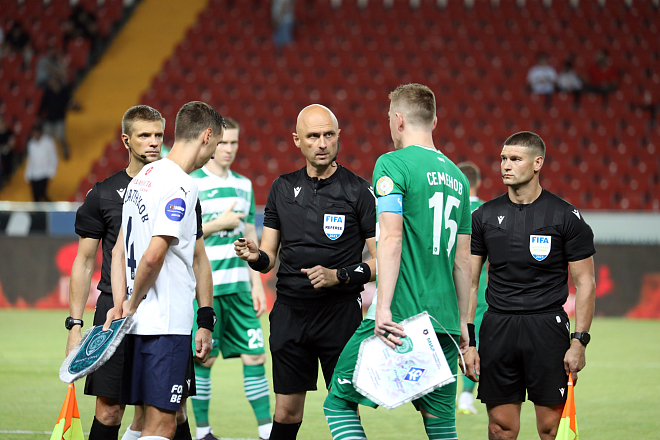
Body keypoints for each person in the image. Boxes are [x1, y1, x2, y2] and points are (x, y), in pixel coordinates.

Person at [321, 83, 472, 440]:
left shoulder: (392, 164)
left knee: (338, 403)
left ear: (399, 120)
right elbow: (463, 260)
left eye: (390, 117)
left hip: (402, 316)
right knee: (440, 424)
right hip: (446, 322)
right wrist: (464, 322)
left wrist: (383, 307)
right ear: (434, 121)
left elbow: (390, 237)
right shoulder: (459, 178)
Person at [235, 104, 377, 440]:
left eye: (329, 134)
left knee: (344, 407)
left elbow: (382, 262)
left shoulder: (359, 190)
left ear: (339, 136)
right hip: (290, 313)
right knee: (286, 411)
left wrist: (338, 275)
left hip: (340, 314)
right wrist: (255, 256)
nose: (322, 143)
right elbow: (268, 258)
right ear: (297, 140)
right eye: (313, 136)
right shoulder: (282, 188)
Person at [67, 105, 198, 440]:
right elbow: (84, 261)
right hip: (115, 311)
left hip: (162, 311)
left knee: (172, 410)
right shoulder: (103, 193)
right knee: (109, 411)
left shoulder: (178, 186)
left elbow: (197, 255)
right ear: (126, 140)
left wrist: (206, 314)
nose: (154, 142)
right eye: (144, 135)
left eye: (158, 135)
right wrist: (75, 324)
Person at [464, 131, 596, 440]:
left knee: (551, 429)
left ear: (537, 163)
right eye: (503, 159)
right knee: (500, 429)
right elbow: (469, 283)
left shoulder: (565, 216)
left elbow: (586, 283)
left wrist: (579, 342)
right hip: (498, 327)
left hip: (546, 328)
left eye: (515, 159)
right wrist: (468, 343)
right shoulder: (483, 216)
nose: (505, 165)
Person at [107, 101, 224, 440]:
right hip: (165, 324)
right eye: (216, 144)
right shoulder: (182, 185)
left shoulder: (142, 177)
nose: (214, 154)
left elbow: (118, 250)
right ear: (206, 136)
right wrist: (131, 303)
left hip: (138, 324)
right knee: (162, 424)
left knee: (142, 420)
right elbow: (152, 257)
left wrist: (121, 303)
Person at [189, 118, 272, 440]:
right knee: (204, 359)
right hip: (206, 290)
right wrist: (218, 224)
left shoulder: (244, 185)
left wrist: (257, 284)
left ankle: (266, 431)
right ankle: (203, 432)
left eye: (234, 143)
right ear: (210, 141)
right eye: (223, 142)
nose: (228, 149)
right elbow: (183, 233)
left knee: (256, 355)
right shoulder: (192, 182)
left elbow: (250, 233)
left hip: (239, 288)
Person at [456, 161, 487, 415]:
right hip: (480, 290)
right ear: (478, 182)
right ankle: (466, 396)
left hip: (447, 286)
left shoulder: (449, 209)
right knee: (474, 342)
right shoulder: (488, 212)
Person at [24, 123, 58, 201]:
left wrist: (52, 172)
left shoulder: (48, 142)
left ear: (40, 132)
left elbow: (53, 158)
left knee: (42, 194)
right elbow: (30, 160)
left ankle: (52, 207)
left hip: (44, 173)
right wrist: (28, 174)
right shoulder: (31, 144)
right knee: (35, 198)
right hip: (34, 175)